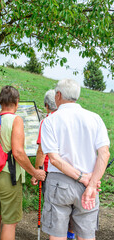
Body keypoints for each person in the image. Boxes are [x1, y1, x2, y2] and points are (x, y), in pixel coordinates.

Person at [40, 79, 110, 240]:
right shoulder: (95, 118)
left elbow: (54, 159)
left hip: (60, 183)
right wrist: (91, 183)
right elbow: (104, 154)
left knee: (57, 235)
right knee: (86, 235)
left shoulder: (50, 121)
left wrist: (81, 177)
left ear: (58, 95)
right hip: (88, 186)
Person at [0, 85, 46, 240]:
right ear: (17, 102)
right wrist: (34, 172)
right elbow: (17, 152)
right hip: (7, 175)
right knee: (10, 222)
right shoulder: (16, 120)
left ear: (0, 102)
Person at [32, 89, 75, 240]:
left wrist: (37, 171)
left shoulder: (47, 121)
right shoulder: (71, 118)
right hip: (72, 169)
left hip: (52, 171)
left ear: (46, 105)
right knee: (71, 206)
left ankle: (58, 235)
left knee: (55, 207)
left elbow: (41, 151)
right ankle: (70, 234)